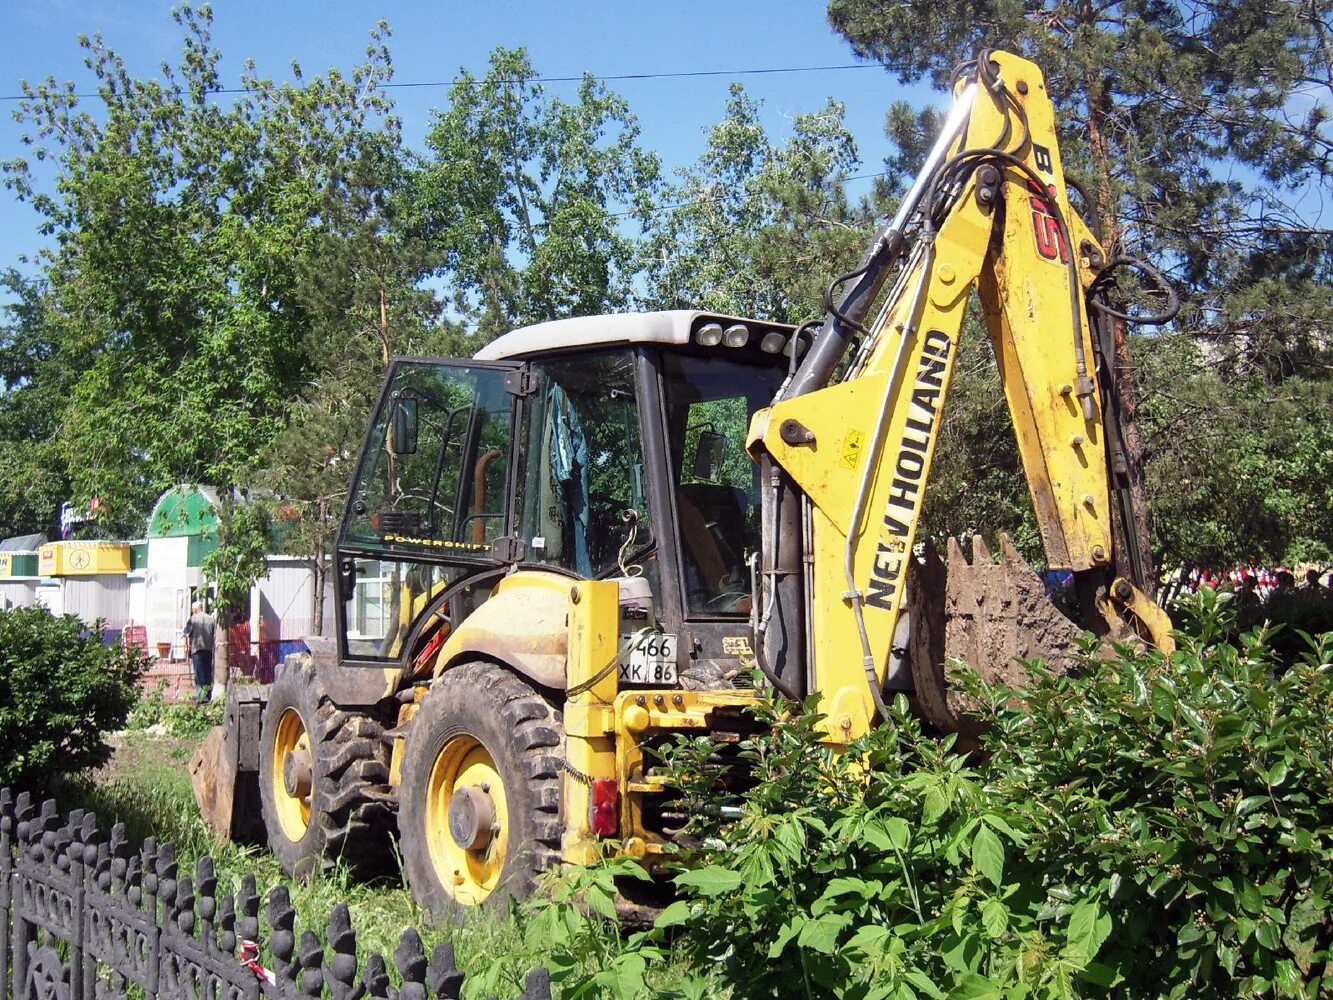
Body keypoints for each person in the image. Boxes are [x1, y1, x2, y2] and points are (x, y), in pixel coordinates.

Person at [183, 601, 217, 703]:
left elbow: (186, 633)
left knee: (199, 675)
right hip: (208, 650)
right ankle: (208, 696)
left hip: (197, 650)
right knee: (208, 674)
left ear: (195, 609)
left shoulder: (193, 619)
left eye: (193, 610)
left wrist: (186, 647)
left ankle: (201, 697)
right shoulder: (211, 619)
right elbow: (215, 635)